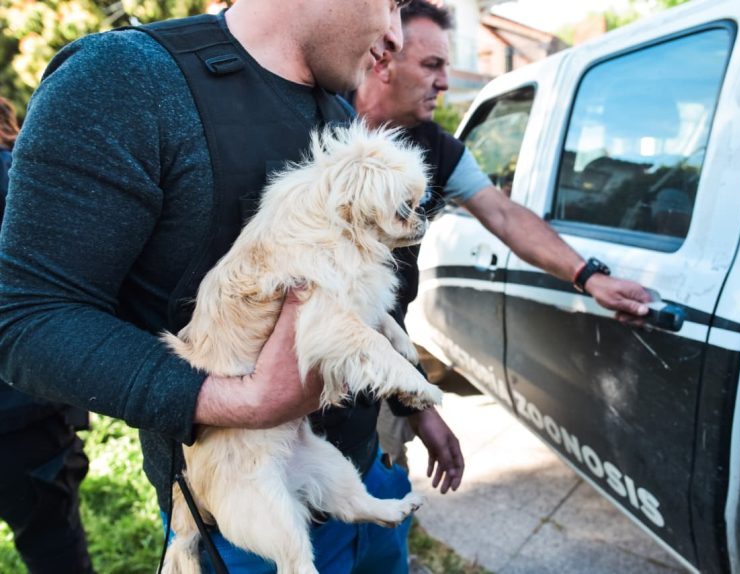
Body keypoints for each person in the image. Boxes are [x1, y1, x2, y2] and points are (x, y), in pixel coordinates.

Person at [0, 2, 462, 573]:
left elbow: (353, 296)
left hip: (362, 477)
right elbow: (26, 320)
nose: (395, 36)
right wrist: (241, 401)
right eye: (391, 4)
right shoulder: (123, 80)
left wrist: (413, 403)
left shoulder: (339, 115)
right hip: (246, 516)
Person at [354, 0, 652, 465]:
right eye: (432, 65)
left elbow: (506, 216)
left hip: (382, 370)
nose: (445, 82)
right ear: (384, 56)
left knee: (378, 496)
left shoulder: (440, 152)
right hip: (301, 361)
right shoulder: (318, 124)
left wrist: (590, 277)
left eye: (445, 67)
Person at [0, 95, 94, 574]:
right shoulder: (18, 173)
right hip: (21, 416)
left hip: (19, 413)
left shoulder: (15, 174)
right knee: (53, 549)